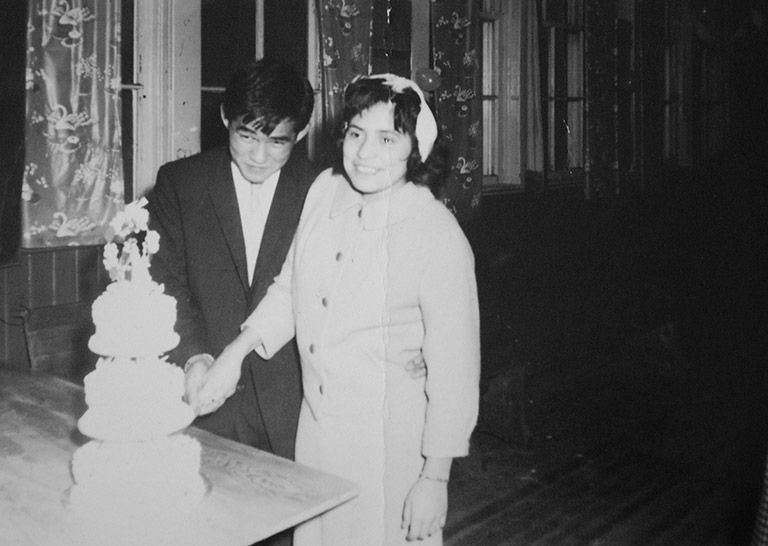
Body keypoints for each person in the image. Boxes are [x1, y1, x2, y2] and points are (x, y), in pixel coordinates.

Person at [193, 74, 481, 546]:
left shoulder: (437, 234)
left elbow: (456, 371)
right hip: (318, 436)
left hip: (391, 448)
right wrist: (234, 354)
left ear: (416, 149)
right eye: (356, 133)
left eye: (387, 138)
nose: (365, 153)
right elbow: (289, 288)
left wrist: (435, 480)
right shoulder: (326, 190)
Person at [146, 58, 315, 469]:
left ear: (302, 133)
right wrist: (193, 356)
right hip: (204, 394)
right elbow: (166, 280)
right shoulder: (179, 182)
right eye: (247, 135)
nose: (259, 156)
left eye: (278, 142)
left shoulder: (321, 190)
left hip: (296, 403)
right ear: (225, 118)